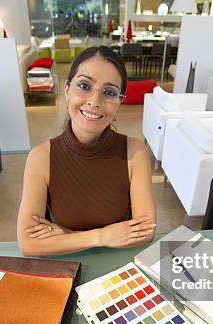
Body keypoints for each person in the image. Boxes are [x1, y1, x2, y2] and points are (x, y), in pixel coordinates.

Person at [17, 46, 156, 256]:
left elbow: (145, 232)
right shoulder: (40, 157)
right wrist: (103, 236)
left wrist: (65, 234)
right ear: (67, 89)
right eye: (84, 85)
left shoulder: (135, 152)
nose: (95, 101)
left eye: (109, 92)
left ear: (120, 101)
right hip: (66, 268)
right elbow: (28, 244)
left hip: (116, 270)